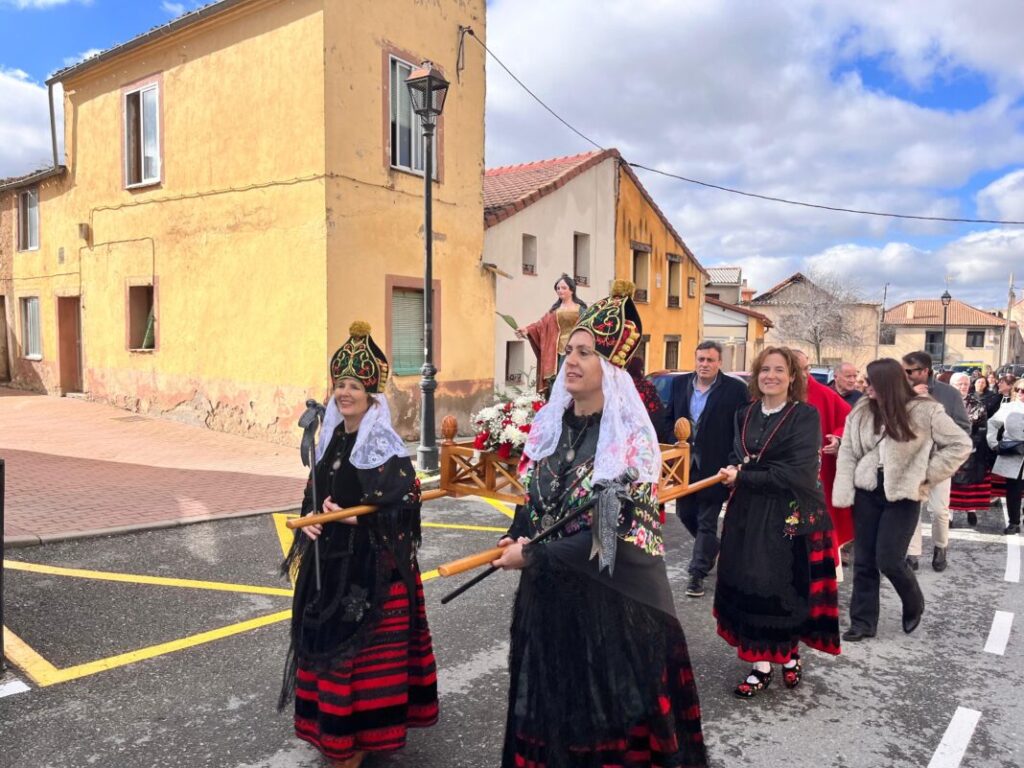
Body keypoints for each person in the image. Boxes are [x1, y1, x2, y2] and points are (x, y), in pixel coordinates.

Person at [494, 286, 708, 767]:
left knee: (604, 720)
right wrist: (518, 531)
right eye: (570, 350)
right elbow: (536, 494)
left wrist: (533, 555)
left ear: (610, 369)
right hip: (550, 599)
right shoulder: (551, 426)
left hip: (610, 605)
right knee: (552, 709)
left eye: (585, 353)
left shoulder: (630, 441)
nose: (571, 360)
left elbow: (617, 534)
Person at [279, 323, 438, 768]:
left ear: (371, 394)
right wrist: (311, 520)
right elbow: (316, 490)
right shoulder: (332, 437)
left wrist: (355, 515)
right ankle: (334, 734)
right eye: (339, 386)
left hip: (370, 570)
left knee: (358, 665)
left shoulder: (381, 442)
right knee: (329, 653)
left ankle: (359, 741)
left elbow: (407, 498)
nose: (344, 393)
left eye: (353, 386)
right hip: (328, 563)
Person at [714, 346, 840, 698]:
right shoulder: (745, 412)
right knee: (748, 581)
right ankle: (761, 664)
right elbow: (736, 456)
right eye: (764, 369)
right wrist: (732, 470)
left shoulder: (806, 416)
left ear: (792, 377)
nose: (771, 375)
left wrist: (744, 475)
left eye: (779, 370)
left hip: (789, 516)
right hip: (747, 514)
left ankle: (788, 655)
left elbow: (797, 474)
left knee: (781, 587)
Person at [833, 359, 971, 642]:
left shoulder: (925, 410)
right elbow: (847, 451)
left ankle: (913, 601)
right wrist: (844, 489)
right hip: (868, 490)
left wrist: (925, 475)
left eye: (869, 381)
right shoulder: (860, 410)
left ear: (886, 382)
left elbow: (961, 444)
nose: (863, 385)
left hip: (904, 494)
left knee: (890, 559)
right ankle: (862, 622)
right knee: (864, 561)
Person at [669, 340, 750, 597]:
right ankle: (712, 548)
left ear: (720, 363)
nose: (705, 364)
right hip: (683, 464)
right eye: (701, 359)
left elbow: (740, 429)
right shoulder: (679, 384)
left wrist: (734, 460)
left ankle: (697, 574)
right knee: (685, 513)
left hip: (716, 464)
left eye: (710, 360)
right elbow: (669, 417)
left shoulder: (735, 389)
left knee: (706, 520)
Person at [902, 351, 970, 572]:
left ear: (924, 371)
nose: (905, 374)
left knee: (939, 510)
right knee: (912, 509)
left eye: (909, 371)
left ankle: (940, 547)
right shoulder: (900, 392)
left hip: (939, 462)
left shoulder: (949, 394)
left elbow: (963, 426)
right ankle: (912, 554)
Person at [792, 350, 854, 568]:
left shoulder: (822, 393)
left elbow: (848, 419)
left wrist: (837, 437)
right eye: (798, 369)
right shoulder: (770, 392)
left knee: (818, 529)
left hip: (816, 475)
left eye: (806, 368)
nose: (803, 374)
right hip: (782, 476)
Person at [516, 274, 588, 394]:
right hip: (557, 352)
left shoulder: (580, 309)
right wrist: (527, 329)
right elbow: (540, 325)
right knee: (558, 381)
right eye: (558, 288)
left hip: (577, 349)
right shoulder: (554, 311)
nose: (560, 290)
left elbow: (588, 327)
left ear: (572, 289)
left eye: (564, 288)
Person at [949, 372, 991, 527]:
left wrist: (970, 444)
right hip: (948, 450)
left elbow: (982, 428)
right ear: (951, 385)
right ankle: (949, 516)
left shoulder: (977, 404)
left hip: (971, 450)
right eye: (959, 384)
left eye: (966, 384)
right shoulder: (943, 403)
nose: (963, 387)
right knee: (949, 485)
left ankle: (971, 510)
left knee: (969, 485)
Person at [987, 379, 1024, 534]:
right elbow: (993, 423)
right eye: (1019, 390)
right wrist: (994, 443)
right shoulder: (1008, 407)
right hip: (1013, 453)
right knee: (1013, 491)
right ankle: (1014, 522)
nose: (1021, 394)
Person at [627, 354, 672, 443]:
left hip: (633, 429)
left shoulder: (625, 385)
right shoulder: (647, 385)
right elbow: (659, 408)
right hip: (651, 426)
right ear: (640, 369)